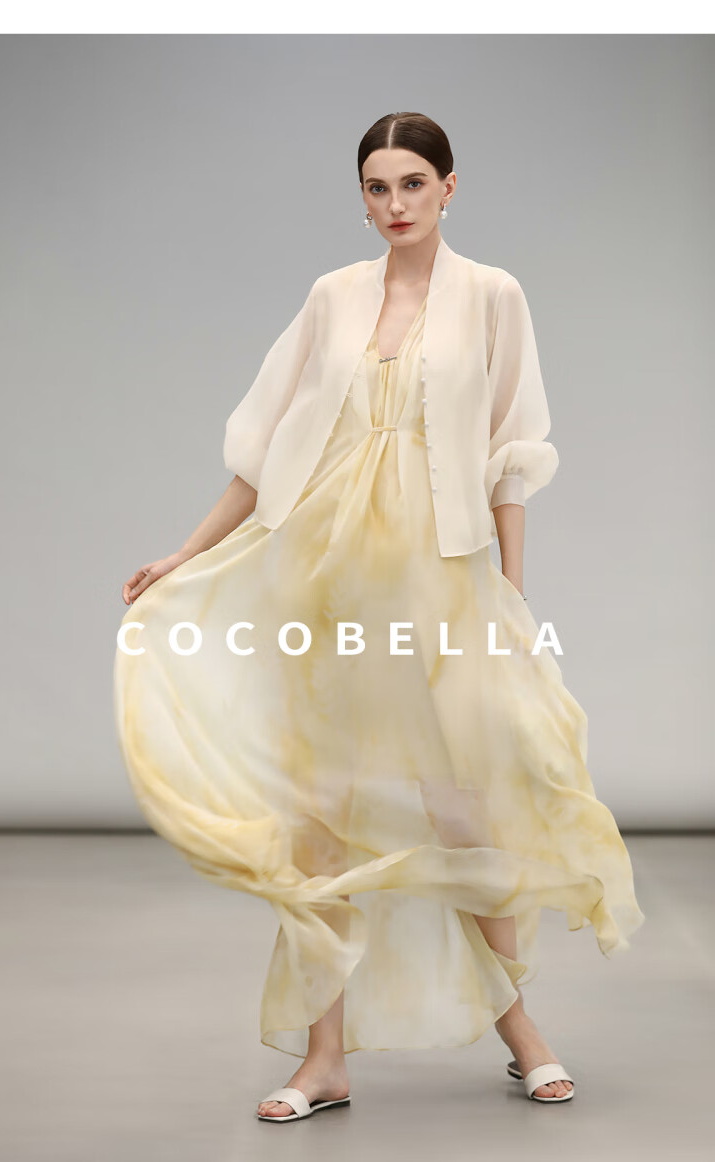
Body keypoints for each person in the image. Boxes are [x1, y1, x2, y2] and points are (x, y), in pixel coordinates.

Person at [114, 111, 644, 1121]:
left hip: (439, 586)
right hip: (325, 584)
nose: (394, 204)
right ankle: (325, 1060)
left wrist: (510, 596)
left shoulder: (493, 295)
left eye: (412, 183)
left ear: (450, 187)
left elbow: (510, 459)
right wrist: (187, 553)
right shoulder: (332, 297)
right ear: (360, 197)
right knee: (322, 818)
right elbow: (265, 450)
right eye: (375, 186)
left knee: (465, 807)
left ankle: (522, 1031)